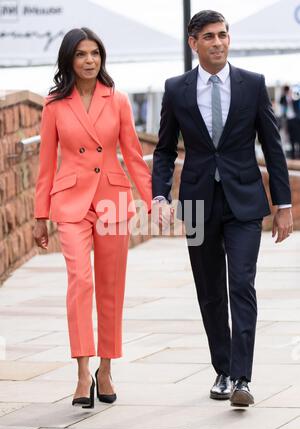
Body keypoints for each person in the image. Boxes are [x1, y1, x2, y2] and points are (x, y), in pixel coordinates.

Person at [152, 10, 293, 407]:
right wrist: (160, 195)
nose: (218, 43)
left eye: (223, 35)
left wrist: (283, 204)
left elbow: (273, 147)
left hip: (245, 203)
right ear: (193, 43)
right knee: (209, 290)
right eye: (209, 37)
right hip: (197, 204)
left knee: (240, 285)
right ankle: (223, 370)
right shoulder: (176, 89)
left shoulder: (252, 85)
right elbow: (163, 150)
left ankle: (243, 379)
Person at [33, 28, 152, 408]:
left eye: (95, 53)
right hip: (69, 203)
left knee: (110, 288)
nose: (89, 60)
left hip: (112, 201)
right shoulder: (54, 105)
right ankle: (83, 372)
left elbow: (133, 154)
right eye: (81, 54)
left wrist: (153, 200)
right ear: (69, 59)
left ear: (102, 58)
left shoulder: (116, 100)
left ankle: (106, 367)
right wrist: (40, 214)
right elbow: (46, 165)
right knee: (80, 282)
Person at [280, 85, 300, 159]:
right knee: (290, 137)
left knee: (297, 137)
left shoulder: (295, 96)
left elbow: (297, 99)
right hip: (288, 120)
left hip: (296, 119)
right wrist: (284, 93)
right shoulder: (284, 98)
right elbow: (281, 101)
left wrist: (292, 96)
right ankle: (292, 156)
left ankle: (298, 154)